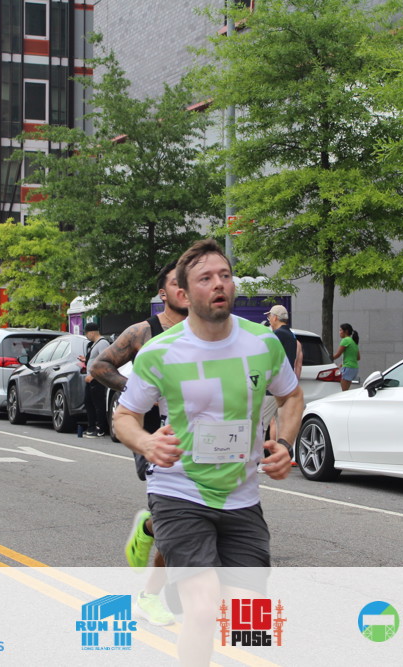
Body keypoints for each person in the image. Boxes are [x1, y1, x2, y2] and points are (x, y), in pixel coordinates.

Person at [113, 239, 304, 665]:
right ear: (183, 293)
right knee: (202, 609)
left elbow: (291, 396)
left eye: (225, 275)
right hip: (179, 490)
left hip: (242, 496)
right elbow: (124, 416)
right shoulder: (159, 352)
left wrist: (285, 444)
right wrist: (146, 442)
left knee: (249, 620)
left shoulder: (263, 343)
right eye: (205, 278)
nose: (219, 284)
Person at [92, 260, 189, 627]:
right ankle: (151, 596)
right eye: (176, 283)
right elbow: (99, 366)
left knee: (189, 516)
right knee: (178, 518)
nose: (185, 288)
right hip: (152, 435)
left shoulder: (208, 331)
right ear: (163, 293)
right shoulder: (143, 332)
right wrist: (136, 390)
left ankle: (150, 527)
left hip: (199, 437)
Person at [262, 304, 302, 444]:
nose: (269, 320)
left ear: (275, 317)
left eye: (269, 316)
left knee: (260, 424)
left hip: (272, 387)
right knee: (281, 426)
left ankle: (257, 455)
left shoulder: (277, 335)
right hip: (285, 387)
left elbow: (268, 358)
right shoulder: (291, 335)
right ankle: (282, 453)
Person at [79, 322, 111, 438]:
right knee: (89, 402)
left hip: (97, 379)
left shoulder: (102, 343)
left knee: (98, 404)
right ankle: (91, 427)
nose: (86, 336)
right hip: (91, 379)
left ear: (92, 332)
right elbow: (95, 358)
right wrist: (85, 360)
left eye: (87, 333)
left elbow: (105, 361)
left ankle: (100, 428)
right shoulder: (95, 344)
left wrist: (93, 375)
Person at [332, 323, 360, 391]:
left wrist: (327, 359)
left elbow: (338, 354)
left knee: (342, 392)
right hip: (354, 369)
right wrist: (343, 363)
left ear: (346, 331)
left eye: (340, 330)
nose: (339, 332)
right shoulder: (354, 342)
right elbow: (358, 358)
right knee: (345, 391)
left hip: (348, 367)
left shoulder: (345, 340)